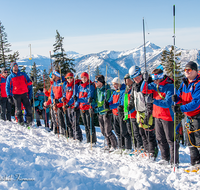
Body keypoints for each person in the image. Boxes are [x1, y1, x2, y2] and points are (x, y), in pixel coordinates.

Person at [141, 65, 179, 165]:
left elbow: (167, 103)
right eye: (153, 79)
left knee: (170, 139)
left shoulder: (170, 87)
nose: (155, 81)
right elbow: (143, 90)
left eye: (156, 79)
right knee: (160, 139)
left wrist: (153, 101)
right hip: (157, 116)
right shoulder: (154, 85)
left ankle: (174, 160)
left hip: (167, 117)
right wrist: (145, 81)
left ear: (161, 77)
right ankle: (165, 158)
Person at [172, 61, 200, 171]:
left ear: (195, 71)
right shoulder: (184, 83)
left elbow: (196, 102)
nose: (186, 72)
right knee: (190, 141)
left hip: (197, 115)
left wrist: (181, 108)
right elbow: (180, 95)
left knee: (198, 140)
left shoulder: (198, 84)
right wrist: (177, 99)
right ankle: (194, 162)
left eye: (189, 70)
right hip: (188, 116)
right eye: (185, 70)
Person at [128, 66, 158, 159]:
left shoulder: (146, 85)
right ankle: (146, 150)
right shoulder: (134, 86)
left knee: (149, 133)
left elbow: (150, 101)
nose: (135, 80)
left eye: (137, 77)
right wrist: (130, 105)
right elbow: (133, 98)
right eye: (134, 78)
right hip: (139, 112)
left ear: (141, 75)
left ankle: (152, 151)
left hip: (147, 111)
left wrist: (148, 115)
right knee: (142, 133)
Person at [104, 77, 132, 153]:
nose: (114, 86)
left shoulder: (123, 91)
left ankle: (128, 147)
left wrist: (110, 106)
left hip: (121, 113)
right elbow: (111, 100)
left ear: (119, 83)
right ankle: (121, 146)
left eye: (116, 84)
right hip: (114, 114)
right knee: (117, 131)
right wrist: (107, 103)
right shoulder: (115, 92)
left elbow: (120, 103)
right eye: (113, 84)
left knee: (124, 131)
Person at [94, 75, 117, 151]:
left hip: (106, 113)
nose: (96, 83)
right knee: (103, 131)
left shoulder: (107, 90)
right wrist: (93, 105)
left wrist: (96, 110)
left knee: (108, 131)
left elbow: (106, 105)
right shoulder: (97, 90)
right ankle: (109, 144)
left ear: (100, 81)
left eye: (97, 81)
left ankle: (114, 145)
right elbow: (97, 101)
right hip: (100, 113)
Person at [122, 73, 143, 153]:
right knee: (131, 132)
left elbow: (135, 100)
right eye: (126, 79)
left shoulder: (133, 88)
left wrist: (131, 108)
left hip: (134, 113)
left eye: (128, 79)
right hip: (128, 114)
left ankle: (140, 147)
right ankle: (135, 147)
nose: (127, 81)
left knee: (136, 132)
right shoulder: (126, 89)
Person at [76, 72, 97, 145]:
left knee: (90, 125)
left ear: (87, 78)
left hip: (88, 108)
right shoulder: (79, 86)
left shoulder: (90, 86)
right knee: (85, 125)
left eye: (85, 77)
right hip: (82, 108)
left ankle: (93, 141)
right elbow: (78, 96)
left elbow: (88, 99)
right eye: (82, 77)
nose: (83, 79)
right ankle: (88, 140)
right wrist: (76, 104)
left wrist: (79, 99)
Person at [62, 72, 83, 142]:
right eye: (68, 78)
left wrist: (69, 104)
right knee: (70, 122)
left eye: (71, 77)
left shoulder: (75, 85)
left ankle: (78, 137)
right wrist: (63, 98)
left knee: (75, 123)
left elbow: (74, 96)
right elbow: (65, 94)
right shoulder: (67, 85)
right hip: (69, 106)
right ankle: (73, 136)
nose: (69, 79)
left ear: (73, 78)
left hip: (74, 106)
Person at [50, 70, 66, 135]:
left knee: (65, 120)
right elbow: (51, 94)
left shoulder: (62, 83)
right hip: (57, 105)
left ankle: (67, 134)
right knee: (60, 120)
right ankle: (62, 133)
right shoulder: (53, 84)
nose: (52, 76)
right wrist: (53, 101)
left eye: (53, 75)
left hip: (63, 105)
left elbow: (64, 94)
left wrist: (58, 100)